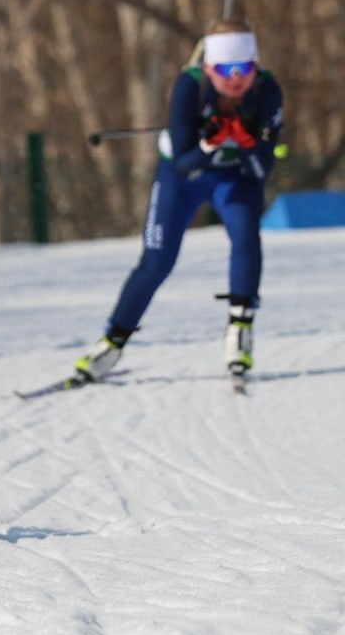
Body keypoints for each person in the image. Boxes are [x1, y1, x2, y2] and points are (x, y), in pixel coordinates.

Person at [72, 20, 284, 384]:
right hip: (182, 176)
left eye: (244, 69)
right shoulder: (190, 87)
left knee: (246, 236)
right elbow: (185, 165)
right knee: (157, 261)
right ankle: (112, 342)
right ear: (208, 69)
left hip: (235, 176)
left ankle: (240, 329)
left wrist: (248, 143)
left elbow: (263, 167)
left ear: (255, 66)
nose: (236, 80)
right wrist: (210, 143)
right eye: (226, 71)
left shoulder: (267, 91)